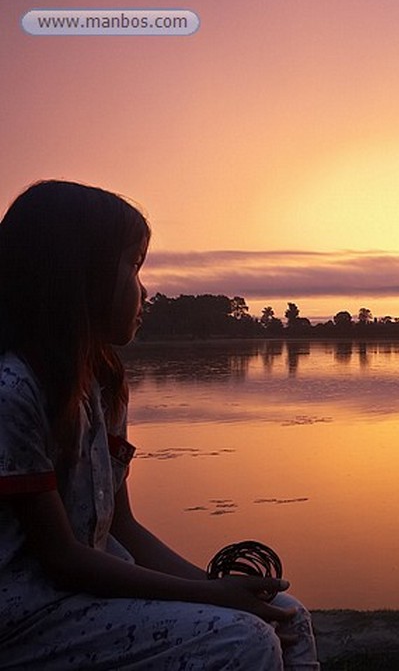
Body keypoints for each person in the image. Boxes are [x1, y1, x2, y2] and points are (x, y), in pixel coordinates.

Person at [0, 180, 319, 670]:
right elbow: (61, 557)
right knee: (244, 641)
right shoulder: (14, 391)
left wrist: (214, 588)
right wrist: (212, 597)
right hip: (30, 617)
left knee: (287, 617)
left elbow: (121, 525)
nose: (144, 291)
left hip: (88, 594)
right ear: (77, 276)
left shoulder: (101, 384)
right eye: (133, 266)